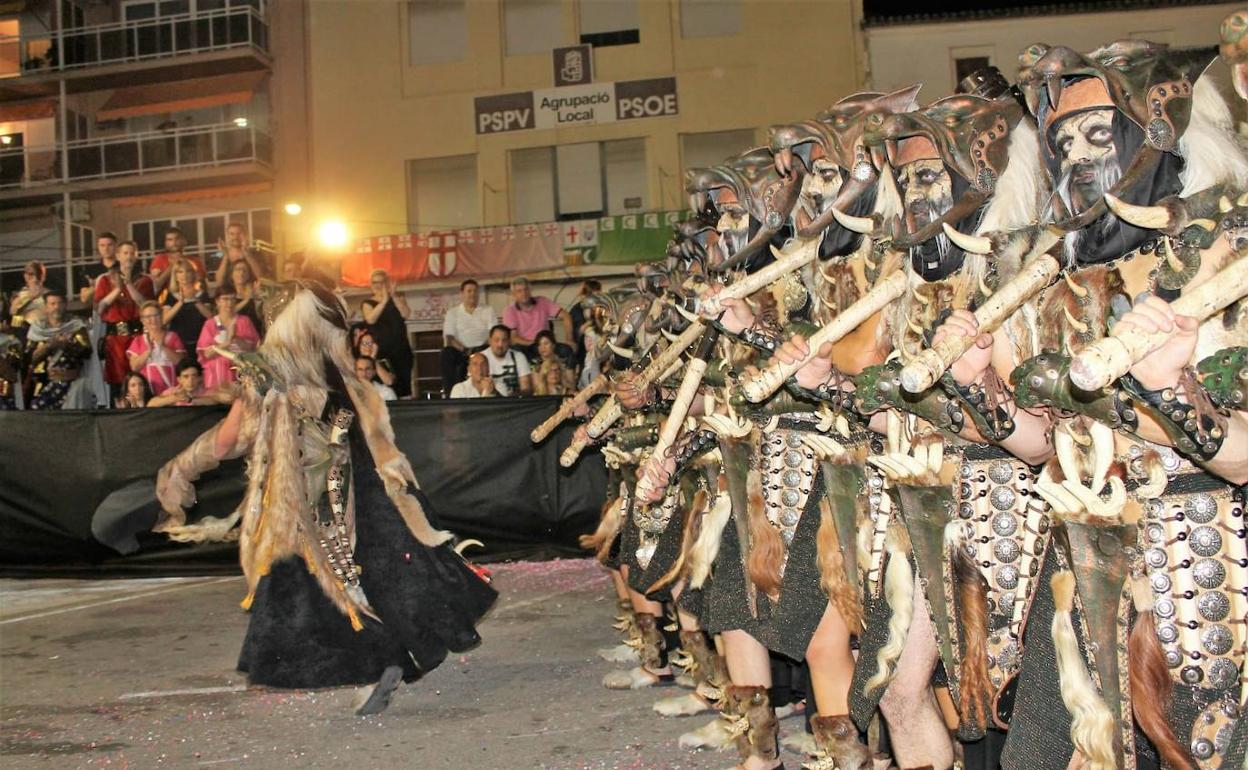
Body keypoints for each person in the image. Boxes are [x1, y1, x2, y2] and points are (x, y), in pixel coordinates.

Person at [153, 281, 496, 716]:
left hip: (316, 501)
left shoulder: (270, 369)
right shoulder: (335, 368)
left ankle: (379, 661)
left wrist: (179, 470)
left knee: (313, 591)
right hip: (369, 489)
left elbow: (228, 440)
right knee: (378, 578)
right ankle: (386, 658)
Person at [95, 241, 154, 397]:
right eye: (125, 253)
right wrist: (118, 289)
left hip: (137, 335)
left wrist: (128, 285)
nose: (129, 257)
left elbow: (146, 304)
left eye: (132, 253)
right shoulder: (105, 280)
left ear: (136, 256)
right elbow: (100, 308)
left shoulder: (144, 280)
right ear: (118, 256)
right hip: (116, 338)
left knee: (140, 378)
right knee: (119, 382)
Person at [24, 289, 93, 410]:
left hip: (71, 385)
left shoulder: (76, 326)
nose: (57, 307)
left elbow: (86, 352)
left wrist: (66, 345)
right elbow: (29, 358)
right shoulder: (37, 329)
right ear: (46, 307)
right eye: (52, 304)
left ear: (65, 305)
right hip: (43, 384)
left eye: (60, 303)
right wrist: (49, 346)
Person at [360, 269, 413, 399]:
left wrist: (393, 296)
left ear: (387, 283)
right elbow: (370, 319)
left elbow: (406, 314)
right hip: (381, 351)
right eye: (374, 282)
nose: (377, 285)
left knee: (404, 386)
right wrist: (384, 301)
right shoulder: (367, 303)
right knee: (386, 384)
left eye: (381, 282)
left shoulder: (398, 298)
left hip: (401, 349)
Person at [198, 286, 260, 390]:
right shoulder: (210, 324)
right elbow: (206, 354)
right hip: (216, 374)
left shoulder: (244, 321)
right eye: (225, 299)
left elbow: (253, 348)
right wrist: (227, 343)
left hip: (240, 371)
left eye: (232, 299)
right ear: (217, 301)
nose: (229, 303)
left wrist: (236, 338)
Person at [440, 279, 495, 394]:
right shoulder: (452, 313)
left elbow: (493, 334)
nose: (472, 294)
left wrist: (477, 350)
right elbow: (449, 337)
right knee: (447, 353)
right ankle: (450, 393)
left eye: (475, 291)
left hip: (483, 349)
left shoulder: (488, 310)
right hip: (461, 351)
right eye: (469, 291)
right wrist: (465, 350)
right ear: (462, 294)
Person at [501, 276, 571, 358]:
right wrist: (536, 344)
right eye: (519, 291)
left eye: (526, 289)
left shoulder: (543, 301)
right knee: (515, 351)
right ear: (514, 294)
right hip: (525, 347)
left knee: (567, 350)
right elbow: (513, 338)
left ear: (530, 290)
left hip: (546, 345)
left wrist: (570, 339)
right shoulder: (509, 311)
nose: (524, 293)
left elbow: (566, 316)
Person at [127, 300, 186, 396]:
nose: (153, 319)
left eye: (156, 315)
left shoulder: (173, 337)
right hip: (148, 392)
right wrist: (148, 352)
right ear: (142, 320)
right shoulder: (138, 340)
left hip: (172, 391)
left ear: (161, 316)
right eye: (148, 317)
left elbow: (181, 363)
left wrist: (163, 346)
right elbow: (134, 367)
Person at [161, 262, 213, 354]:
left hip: (201, 342)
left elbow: (210, 316)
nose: (184, 275)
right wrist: (180, 302)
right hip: (178, 344)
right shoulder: (171, 296)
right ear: (175, 276)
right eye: (180, 272)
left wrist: (195, 300)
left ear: (193, 274)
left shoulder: (202, 294)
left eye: (188, 271)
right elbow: (164, 320)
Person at [149, 228, 206, 295]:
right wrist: (173, 265)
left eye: (177, 239)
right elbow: (155, 286)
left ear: (184, 241)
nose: (174, 242)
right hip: (166, 299)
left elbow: (202, 285)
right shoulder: (159, 259)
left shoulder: (195, 260)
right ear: (165, 243)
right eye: (170, 240)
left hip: (191, 296)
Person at [147, 360, 228, 407]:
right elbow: (151, 404)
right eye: (186, 376)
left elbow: (217, 401)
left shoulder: (209, 392)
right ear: (179, 379)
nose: (190, 381)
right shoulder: (172, 392)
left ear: (200, 378)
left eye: (194, 376)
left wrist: (189, 400)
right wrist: (175, 398)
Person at [480, 324, 531, 397]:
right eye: (496, 340)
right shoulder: (480, 358)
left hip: (514, 402)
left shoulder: (519, 357)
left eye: (504, 340)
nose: (500, 344)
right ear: (490, 341)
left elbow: (526, 389)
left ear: (509, 341)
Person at [212, 221, 268, 287]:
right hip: (229, 295)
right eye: (232, 234)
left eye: (239, 233)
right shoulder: (220, 256)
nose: (236, 237)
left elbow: (261, 277)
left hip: (251, 294)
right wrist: (226, 256)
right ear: (227, 236)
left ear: (246, 235)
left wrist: (246, 253)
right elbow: (219, 282)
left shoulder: (256, 253)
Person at [8, 260, 50, 342]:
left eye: (37, 273)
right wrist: (29, 298)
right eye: (29, 274)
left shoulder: (49, 294)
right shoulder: (20, 295)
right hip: (25, 333)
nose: (33, 277)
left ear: (43, 276)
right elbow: (13, 313)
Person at [530, 330, 576, 396]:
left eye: (546, 343)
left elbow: (571, 384)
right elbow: (537, 387)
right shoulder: (535, 363)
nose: (542, 347)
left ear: (553, 345)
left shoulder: (563, 359)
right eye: (539, 344)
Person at [79, 232, 119, 305]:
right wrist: (96, 286)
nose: (106, 249)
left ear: (116, 246)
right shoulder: (90, 270)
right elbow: (84, 299)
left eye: (109, 245)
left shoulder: (124, 267)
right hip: (99, 311)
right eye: (102, 245)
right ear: (98, 247)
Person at [229, 260, 265, 337]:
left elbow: (261, 316)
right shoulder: (227, 293)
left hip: (255, 336)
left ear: (249, 274)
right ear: (231, 274)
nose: (241, 273)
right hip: (235, 337)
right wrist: (248, 299)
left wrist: (257, 298)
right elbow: (227, 313)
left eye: (245, 270)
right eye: (238, 269)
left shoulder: (254, 292)